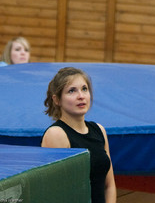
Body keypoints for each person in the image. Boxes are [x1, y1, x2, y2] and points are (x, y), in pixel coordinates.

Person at [41, 66, 116, 203]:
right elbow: (54, 193)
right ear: (57, 100)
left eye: (84, 89)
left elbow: (109, 185)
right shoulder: (56, 134)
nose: (81, 96)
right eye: (72, 91)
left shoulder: (99, 130)